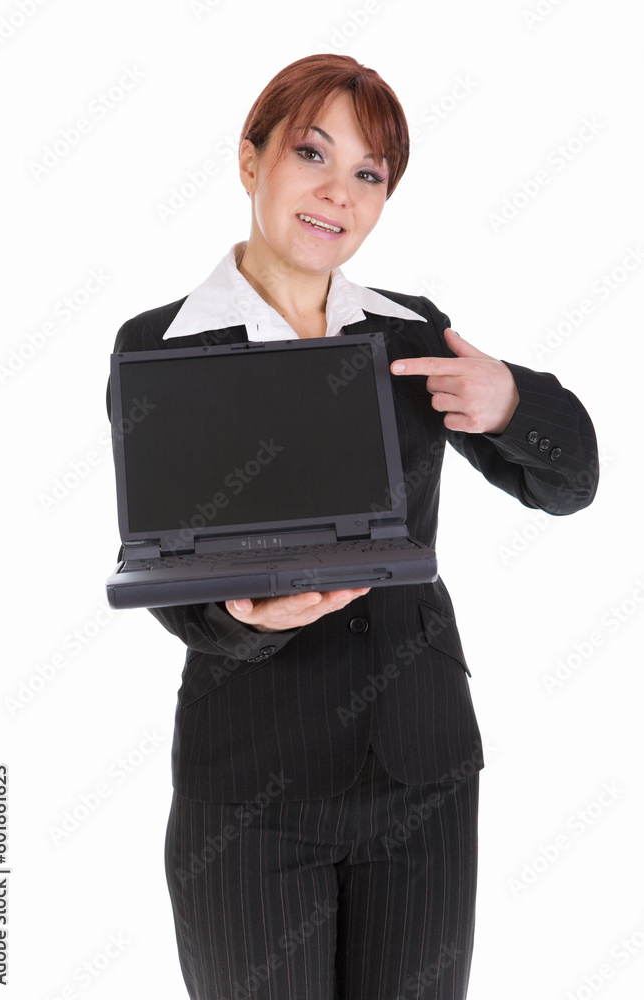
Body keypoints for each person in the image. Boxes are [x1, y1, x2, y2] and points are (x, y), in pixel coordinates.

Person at [108, 54, 598, 1000]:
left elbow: (568, 486)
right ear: (250, 162)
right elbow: (165, 560)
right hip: (250, 792)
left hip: (420, 772)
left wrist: (509, 404)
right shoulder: (161, 346)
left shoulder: (409, 334)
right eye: (311, 153)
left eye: (369, 173)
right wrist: (240, 621)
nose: (338, 191)